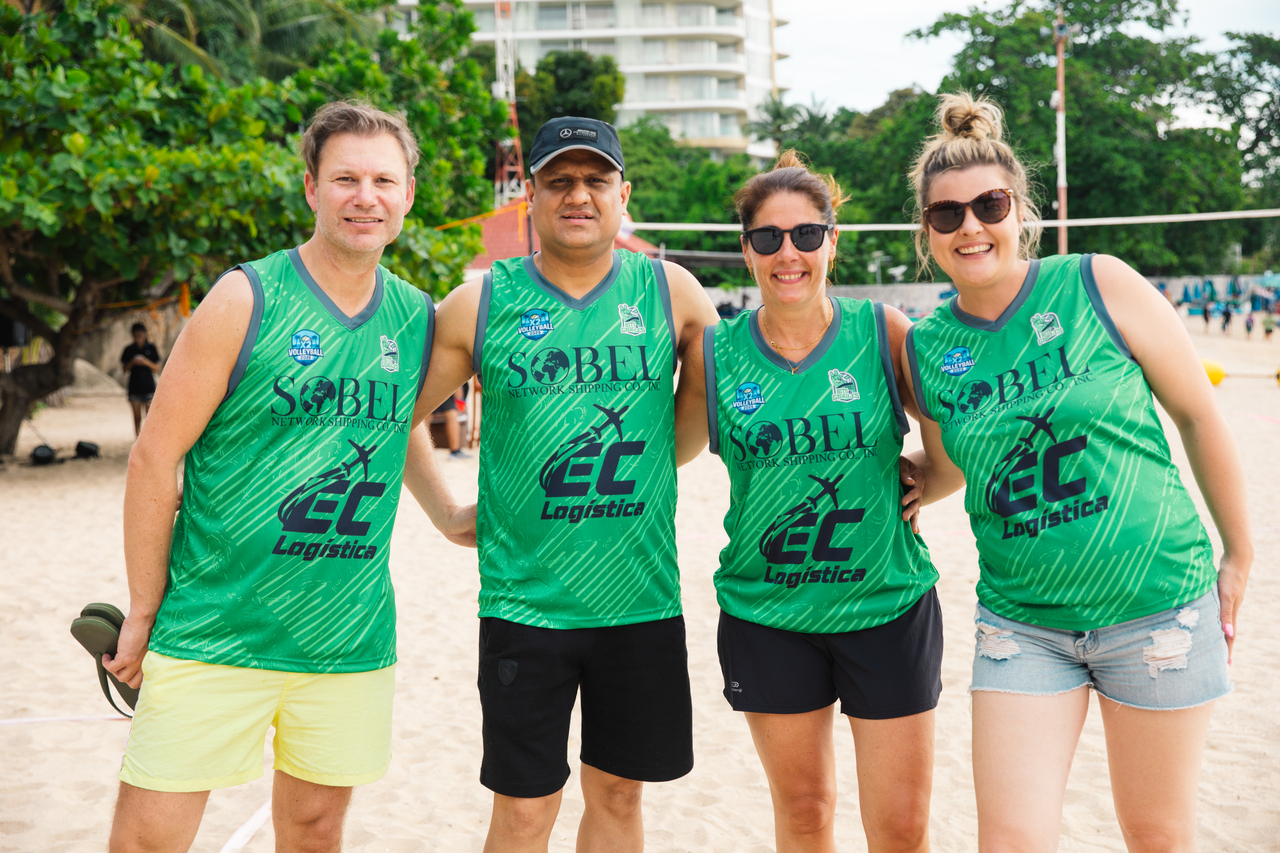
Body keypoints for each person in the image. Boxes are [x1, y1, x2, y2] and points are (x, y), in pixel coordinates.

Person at [102, 102, 475, 853]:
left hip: (347, 634)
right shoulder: (246, 298)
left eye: (383, 180)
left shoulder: (416, 317)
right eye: (344, 178)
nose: (364, 197)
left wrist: (445, 514)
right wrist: (143, 609)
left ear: (407, 195)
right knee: (149, 839)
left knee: (313, 830)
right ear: (310, 187)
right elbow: (154, 456)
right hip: (214, 624)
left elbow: (394, 419)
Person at [902, 92, 1251, 852]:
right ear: (926, 232)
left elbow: (1198, 414)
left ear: (1019, 209)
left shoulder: (1098, 283)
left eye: (989, 205)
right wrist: (911, 482)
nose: (970, 226)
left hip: (1157, 603)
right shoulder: (925, 347)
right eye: (947, 214)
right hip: (1023, 623)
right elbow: (953, 465)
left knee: (1156, 834)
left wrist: (1240, 553)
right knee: (1011, 840)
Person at [404, 116, 720, 853]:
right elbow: (394, 416)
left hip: (639, 599)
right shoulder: (481, 301)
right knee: (524, 810)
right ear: (531, 196)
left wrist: (650, 464)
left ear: (623, 195)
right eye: (560, 180)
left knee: (619, 796)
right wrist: (445, 511)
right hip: (526, 604)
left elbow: (713, 404)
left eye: (596, 180)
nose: (579, 194)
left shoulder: (671, 291)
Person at [673, 151, 940, 853]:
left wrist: (927, 477)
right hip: (769, 614)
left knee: (902, 828)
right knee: (805, 811)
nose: (787, 253)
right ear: (747, 251)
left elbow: (962, 442)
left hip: (885, 604)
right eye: (768, 238)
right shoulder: (716, 355)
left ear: (832, 241)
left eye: (806, 235)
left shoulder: (882, 333)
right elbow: (661, 454)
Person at [120, 322, 162, 436]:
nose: (138, 338)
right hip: (134, 387)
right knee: (137, 418)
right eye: (136, 335)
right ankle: (137, 439)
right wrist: (132, 362)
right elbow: (124, 369)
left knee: (149, 417)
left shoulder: (151, 348)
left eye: (140, 335)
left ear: (145, 334)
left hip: (148, 387)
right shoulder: (129, 349)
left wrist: (145, 362)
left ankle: (149, 439)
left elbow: (157, 368)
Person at [435, 384, 471, 459]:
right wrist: (458, 385)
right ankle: (455, 451)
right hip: (443, 384)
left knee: (426, 413)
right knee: (451, 412)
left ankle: (455, 451)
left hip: (436, 384)